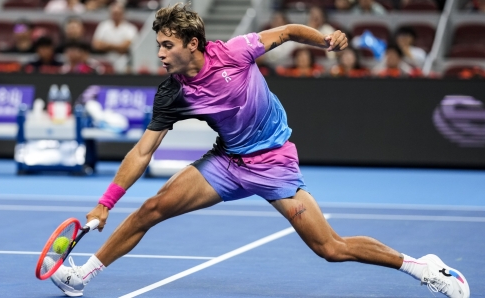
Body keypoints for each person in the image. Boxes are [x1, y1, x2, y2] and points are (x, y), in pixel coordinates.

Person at [44, 3, 470, 298]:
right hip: (227, 161)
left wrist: (323, 42)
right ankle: (81, 275)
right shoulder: (172, 93)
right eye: (158, 44)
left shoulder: (235, 52)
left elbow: (285, 32)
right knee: (152, 208)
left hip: (274, 162)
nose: (160, 53)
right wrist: (105, 204)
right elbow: (142, 152)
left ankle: (423, 267)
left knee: (331, 248)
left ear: (192, 43)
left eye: (167, 45)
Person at [92, 1, 137, 73]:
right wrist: (117, 47)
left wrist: (106, 45)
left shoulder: (130, 28)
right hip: (104, 59)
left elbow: (125, 47)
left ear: (123, 14)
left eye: (118, 13)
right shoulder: (103, 26)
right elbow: (96, 45)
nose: (116, 15)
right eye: (114, 13)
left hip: (123, 60)